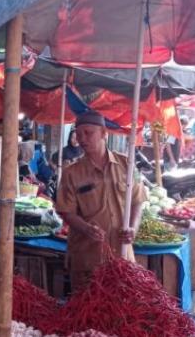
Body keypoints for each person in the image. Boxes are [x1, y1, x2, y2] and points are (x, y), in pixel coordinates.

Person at [56, 111, 147, 291]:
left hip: (121, 256)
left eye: (88, 133)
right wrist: (86, 228)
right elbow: (66, 211)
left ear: (104, 133)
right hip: (87, 259)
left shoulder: (127, 165)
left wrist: (132, 228)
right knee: (86, 311)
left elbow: (138, 200)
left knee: (122, 309)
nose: (82, 139)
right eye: (78, 134)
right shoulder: (71, 173)